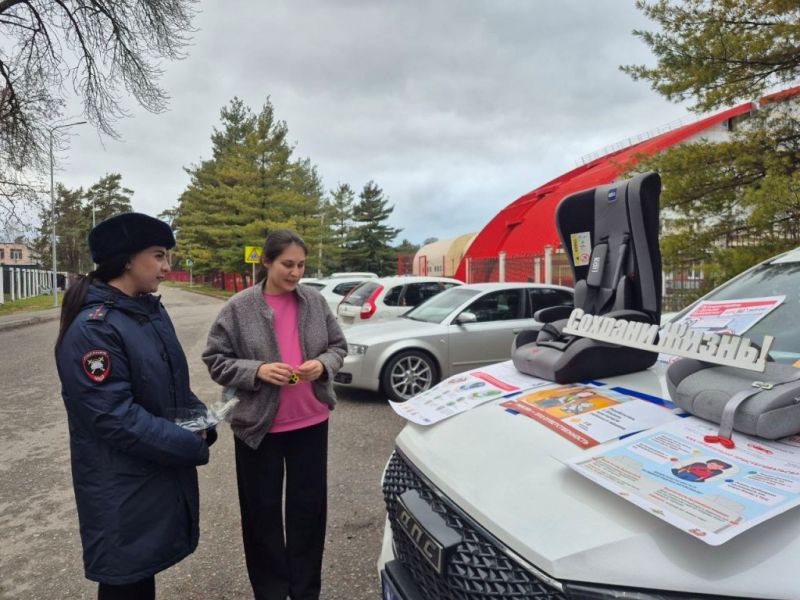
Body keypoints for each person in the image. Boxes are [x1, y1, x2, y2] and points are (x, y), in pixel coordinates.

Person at [55, 213, 216, 600]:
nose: (167, 267)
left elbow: (174, 386)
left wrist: (201, 420)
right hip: (121, 485)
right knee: (126, 581)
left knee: (141, 573)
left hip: (148, 474)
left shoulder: (148, 312)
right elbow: (114, 417)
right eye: (159, 256)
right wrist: (188, 444)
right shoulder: (94, 328)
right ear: (127, 260)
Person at [203, 228, 347, 600]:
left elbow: (338, 346)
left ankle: (304, 591)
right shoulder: (238, 307)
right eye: (287, 264)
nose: (295, 272)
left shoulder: (314, 302)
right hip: (257, 427)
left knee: (308, 513)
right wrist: (258, 371)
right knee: (261, 514)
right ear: (266, 261)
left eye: (301, 264)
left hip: (311, 422)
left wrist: (322, 363)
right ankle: (270, 591)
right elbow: (216, 360)